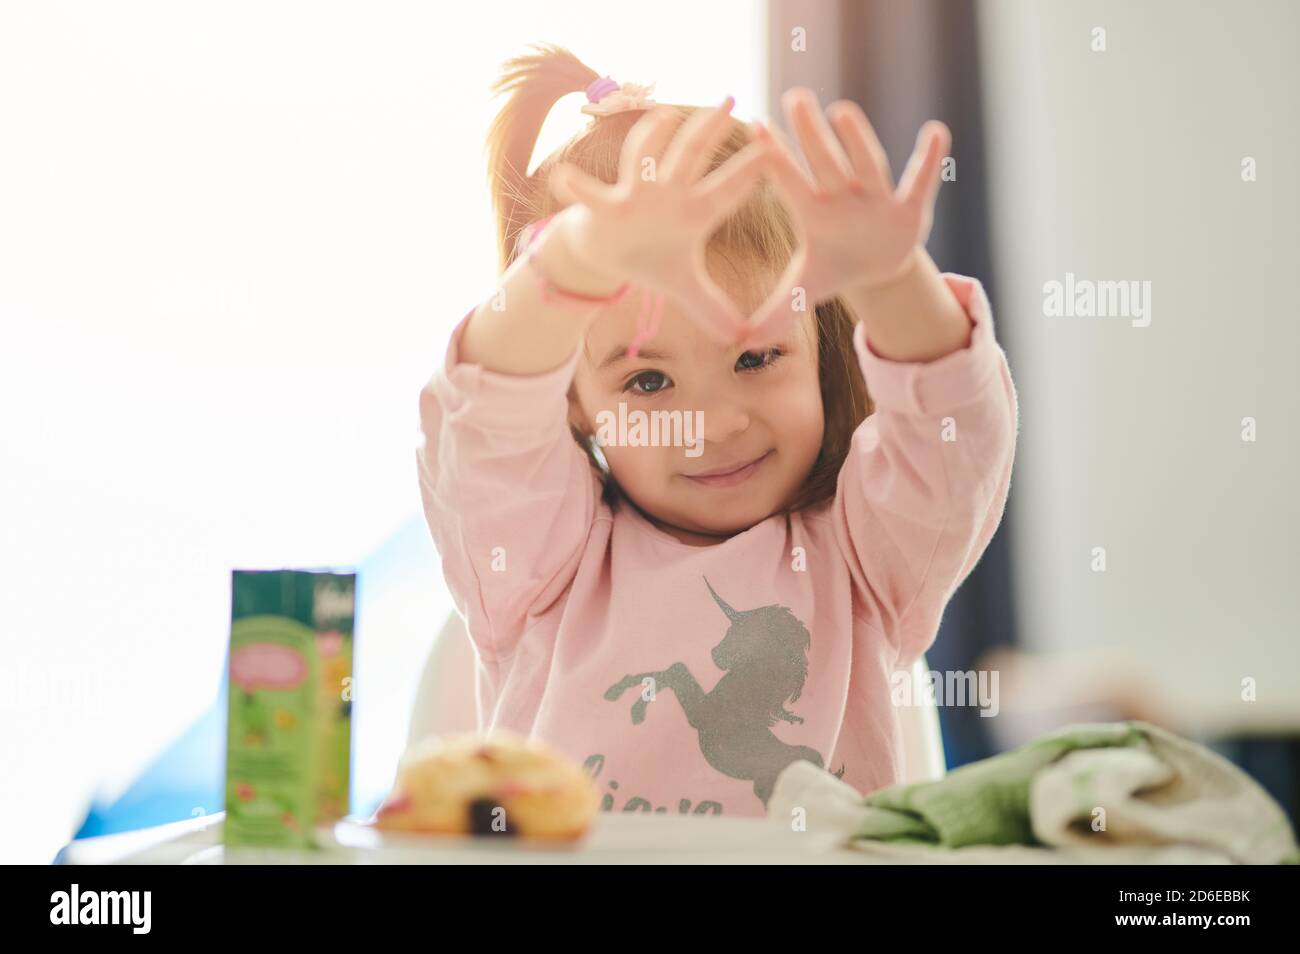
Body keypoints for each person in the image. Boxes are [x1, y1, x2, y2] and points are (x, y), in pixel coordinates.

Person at [415, 44, 1019, 817]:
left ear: (819, 346)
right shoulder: (535, 562)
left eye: (757, 356)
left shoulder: (871, 560)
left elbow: (954, 438)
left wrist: (891, 279)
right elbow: (486, 417)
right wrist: (574, 265)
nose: (716, 423)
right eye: (649, 381)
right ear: (570, 401)